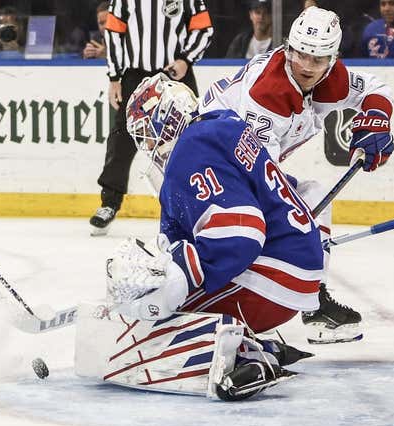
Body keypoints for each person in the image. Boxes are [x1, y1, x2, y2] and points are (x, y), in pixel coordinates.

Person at [104, 74, 320, 399]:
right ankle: (253, 346)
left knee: (155, 316)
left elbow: (241, 234)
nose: (147, 146)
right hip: (297, 267)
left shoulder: (191, 148)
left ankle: (244, 356)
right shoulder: (223, 127)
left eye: (147, 134)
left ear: (167, 117)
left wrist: (174, 278)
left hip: (273, 279)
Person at [199, 6, 394, 344]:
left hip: (242, 159)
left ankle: (314, 304)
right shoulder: (267, 94)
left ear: (332, 58)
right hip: (209, 160)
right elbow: (260, 177)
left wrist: (376, 118)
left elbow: (374, 87)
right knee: (256, 229)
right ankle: (203, 295)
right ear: (290, 47)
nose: (305, 65)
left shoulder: (332, 77)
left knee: (313, 196)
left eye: (317, 59)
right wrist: (292, 232)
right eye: (300, 54)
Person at [89, 0, 214, 236]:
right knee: (122, 137)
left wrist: (185, 60)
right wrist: (114, 77)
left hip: (175, 72)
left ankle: (201, 201)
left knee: (191, 137)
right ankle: (109, 202)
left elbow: (204, 28)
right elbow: (114, 33)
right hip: (136, 75)